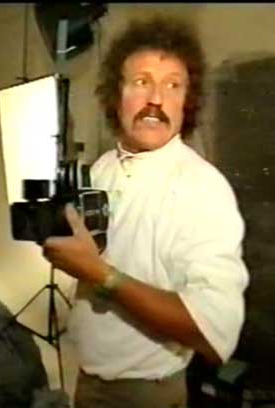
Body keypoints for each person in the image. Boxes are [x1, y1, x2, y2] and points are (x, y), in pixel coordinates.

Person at [42, 16, 249, 407]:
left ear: (186, 102)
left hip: (146, 394)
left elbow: (212, 332)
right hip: (87, 381)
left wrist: (99, 273)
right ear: (115, 95)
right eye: (141, 82)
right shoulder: (102, 168)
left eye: (173, 85)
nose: (156, 99)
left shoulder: (203, 188)